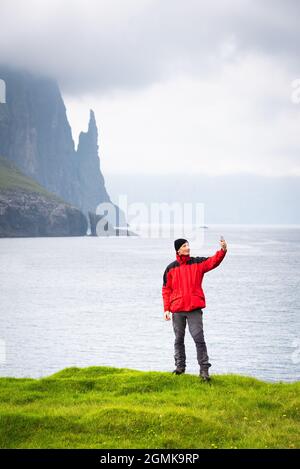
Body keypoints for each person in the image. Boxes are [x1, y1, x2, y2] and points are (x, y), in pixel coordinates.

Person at [162, 237, 227, 381]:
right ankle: (180, 368)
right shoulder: (170, 268)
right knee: (178, 340)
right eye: (185, 246)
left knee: (199, 339)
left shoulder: (198, 263)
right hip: (177, 309)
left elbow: (213, 261)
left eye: (188, 245)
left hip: (194, 309)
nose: (188, 248)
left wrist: (223, 250)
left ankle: (204, 371)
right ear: (178, 249)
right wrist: (166, 309)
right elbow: (166, 290)